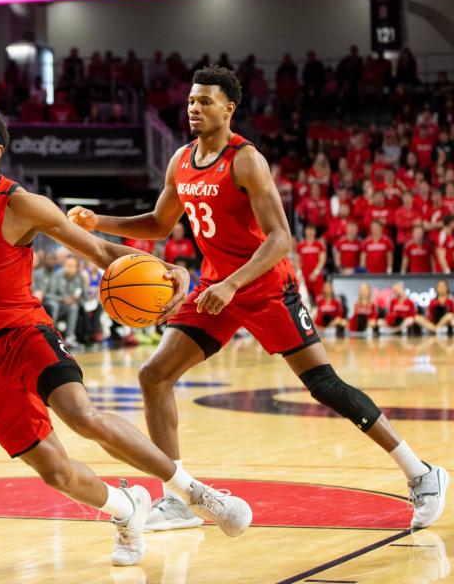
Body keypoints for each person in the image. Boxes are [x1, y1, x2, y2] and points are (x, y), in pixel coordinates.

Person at [68, 66, 447, 531]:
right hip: (215, 290)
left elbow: (281, 238)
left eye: (205, 101)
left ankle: (422, 474)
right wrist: (98, 221)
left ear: (228, 108)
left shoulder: (245, 160)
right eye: (191, 100)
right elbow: (159, 224)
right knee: (154, 375)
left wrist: (232, 283)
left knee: (324, 385)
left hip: (266, 288)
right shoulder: (181, 160)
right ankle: (179, 497)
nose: (194, 108)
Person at [0, 102, 253, 569]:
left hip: (24, 331)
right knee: (56, 472)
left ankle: (195, 492)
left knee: (83, 415)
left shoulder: (19, 204)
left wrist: (166, 268)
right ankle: (127, 508)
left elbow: (100, 249)